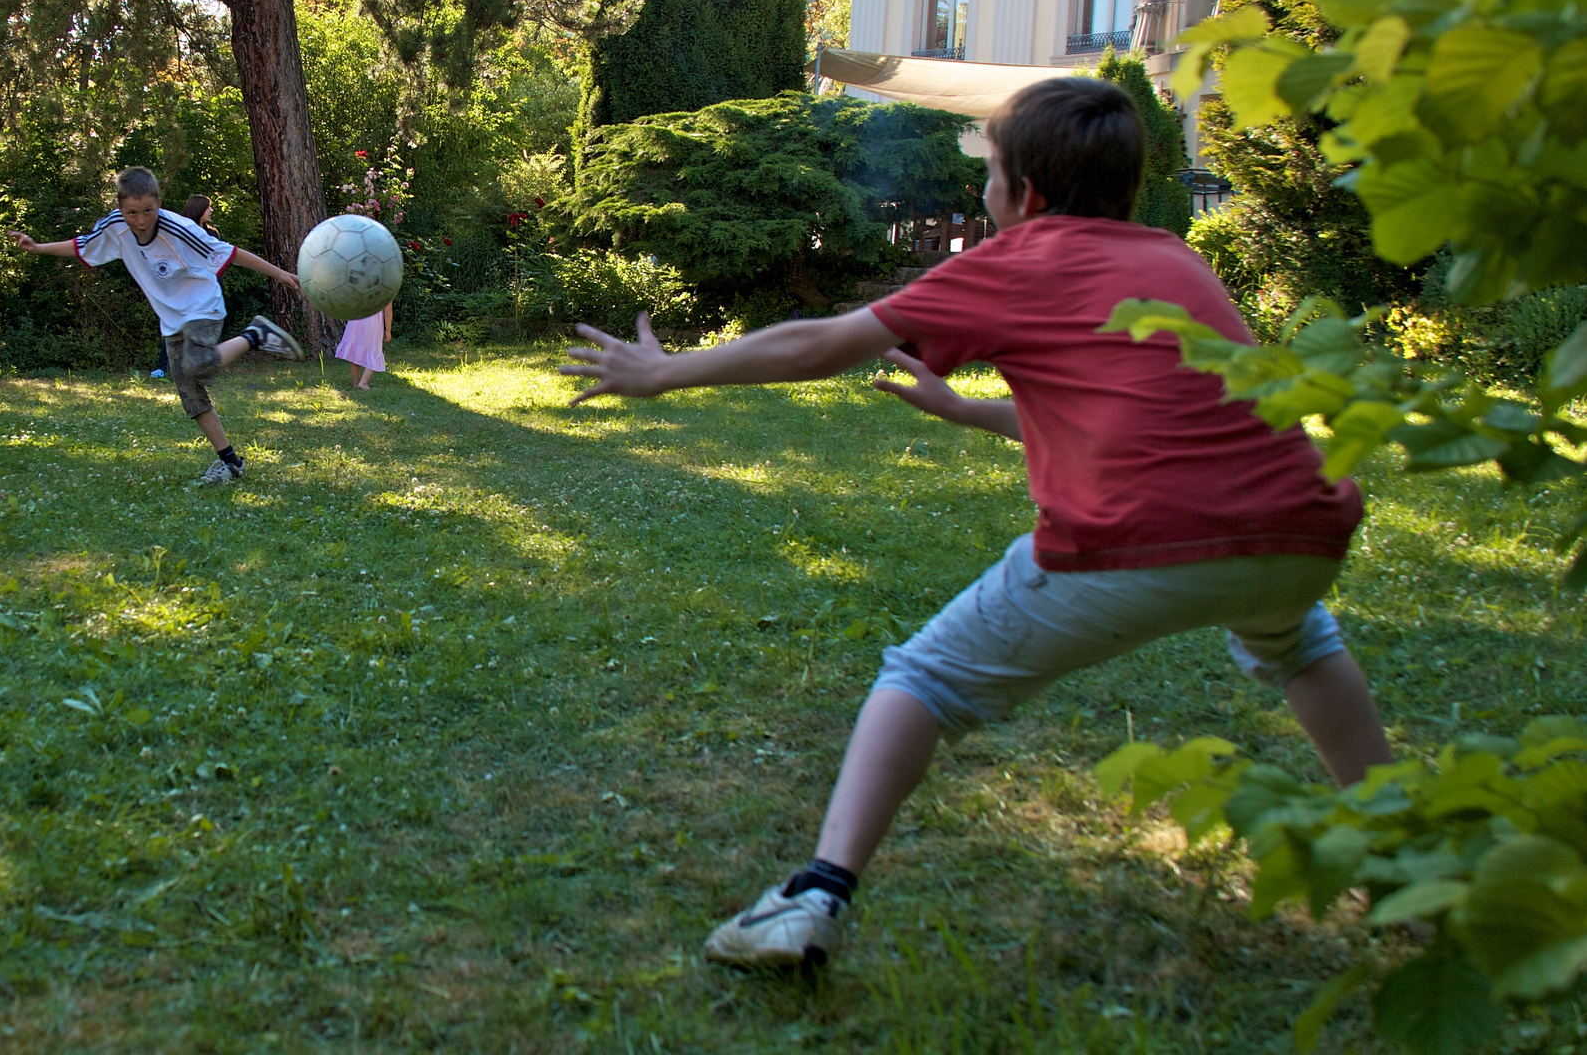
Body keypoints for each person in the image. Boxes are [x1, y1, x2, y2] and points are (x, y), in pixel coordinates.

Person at [559, 77, 1393, 970]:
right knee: (1299, 641)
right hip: (1301, 528)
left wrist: (669, 370)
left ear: (1023, 193)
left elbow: (820, 343)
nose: (981, 193)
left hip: (1138, 540)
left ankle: (814, 897)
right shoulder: (1174, 263)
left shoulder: (1016, 260)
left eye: (989, 174)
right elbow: (1134, 409)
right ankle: (1404, 863)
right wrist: (966, 412)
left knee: (922, 678)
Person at [13, 167, 307, 485]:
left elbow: (231, 254)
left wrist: (280, 274)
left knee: (198, 365)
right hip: (171, 319)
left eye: (148, 211)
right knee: (192, 398)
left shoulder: (180, 229)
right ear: (120, 207)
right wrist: (38, 248)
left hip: (202, 306)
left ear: (159, 202)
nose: (140, 221)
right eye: (132, 213)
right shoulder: (114, 226)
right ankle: (232, 464)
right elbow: (82, 245)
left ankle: (256, 334)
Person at [151, 194, 220, 380]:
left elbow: (216, 260)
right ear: (198, 209)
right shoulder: (179, 231)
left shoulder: (212, 234)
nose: (211, 210)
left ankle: (197, 368)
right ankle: (161, 367)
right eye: (208, 207)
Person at [335, 300, 393, 389]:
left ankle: (355, 384)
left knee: (355, 351)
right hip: (373, 323)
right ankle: (363, 383)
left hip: (356, 320)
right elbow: (388, 311)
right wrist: (388, 330)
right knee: (374, 350)